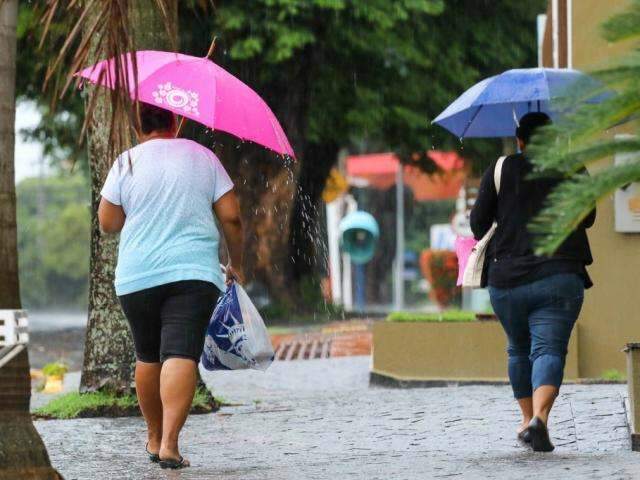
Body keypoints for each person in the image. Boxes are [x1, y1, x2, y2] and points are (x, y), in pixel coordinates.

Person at [98, 102, 244, 469]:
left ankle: (152, 435)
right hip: (193, 273)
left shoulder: (125, 162)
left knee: (148, 355)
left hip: (137, 276)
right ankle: (169, 444)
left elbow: (108, 222)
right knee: (180, 352)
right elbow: (232, 216)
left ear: (137, 126)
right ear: (176, 120)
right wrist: (236, 262)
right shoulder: (205, 158)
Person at [470, 112, 595, 452]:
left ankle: (527, 422)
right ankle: (540, 419)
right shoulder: (571, 167)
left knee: (519, 349)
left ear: (521, 141)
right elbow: (589, 217)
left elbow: (478, 225)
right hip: (559, 276)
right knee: (549, 349)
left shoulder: (500, 169)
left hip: (507, 280)